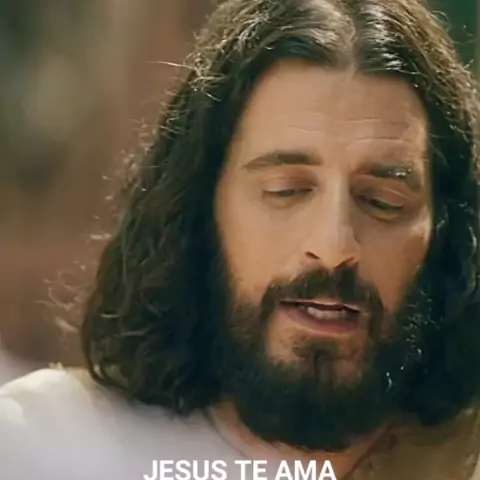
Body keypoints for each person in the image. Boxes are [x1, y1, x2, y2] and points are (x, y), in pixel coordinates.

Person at [1, 0, 480, 478]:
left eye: (382, 202)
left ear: (447, 234)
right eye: (286, 190)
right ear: (200, 209)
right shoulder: (41, 448)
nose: (334, 246)